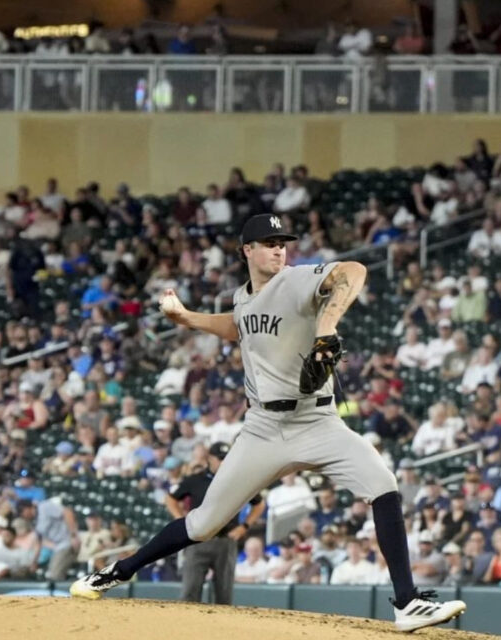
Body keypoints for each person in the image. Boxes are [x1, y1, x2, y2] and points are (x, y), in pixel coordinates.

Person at [70, 214, 466, 632]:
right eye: (269, 243)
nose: (279, 250)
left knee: (383, 485)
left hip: (317, 420)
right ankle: (116, 571)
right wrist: (187, 318)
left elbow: (354, 271)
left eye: (282, 243)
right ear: (247, 250)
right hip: (263, 428)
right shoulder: (243, 297)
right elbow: (239, 325)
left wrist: (326, 325)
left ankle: (406, 602)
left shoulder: (294, 280)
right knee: (204, 524)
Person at [170, 441, 265, 605]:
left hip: (225, 540)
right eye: (220, 458)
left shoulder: (237, 480)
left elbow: (259, 504)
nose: (223, 462)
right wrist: (181, 519)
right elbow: (171, 499)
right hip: (197, 540)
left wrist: (245, 526)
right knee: (189, 592)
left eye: (226, 458)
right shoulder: (196, 480)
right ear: (210, 459)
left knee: (224, 595)